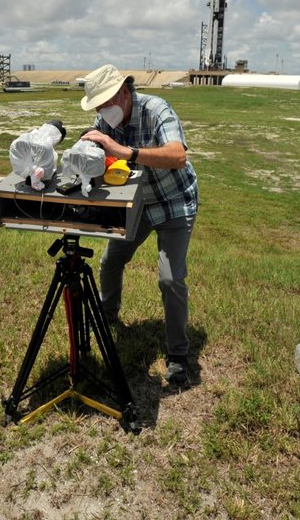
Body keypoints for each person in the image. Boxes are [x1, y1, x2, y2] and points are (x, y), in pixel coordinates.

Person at [79, 64, 198, 385]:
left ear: (124, 92)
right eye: (98, 107)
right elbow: (99, 155)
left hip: (174, 200)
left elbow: (177, 156)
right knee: (110, 261)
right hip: (137, 203)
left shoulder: (156, 109)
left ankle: (178, 354)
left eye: (106, 103)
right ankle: (107, 315)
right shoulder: (105, 120)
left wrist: (126, 152)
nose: (104, 112)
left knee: (170, 278)